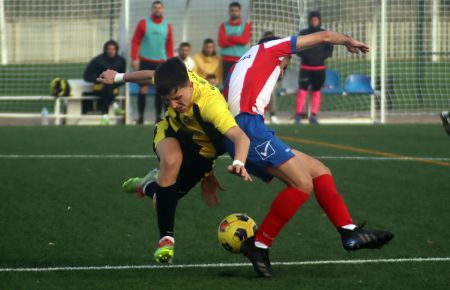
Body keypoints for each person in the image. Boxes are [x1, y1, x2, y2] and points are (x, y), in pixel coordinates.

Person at [223, 32, 394, 278]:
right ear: (282, 54)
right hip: (249, 130)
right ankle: (259, 245)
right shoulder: (271, 49)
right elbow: (322, 36)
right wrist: (347, 41)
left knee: (318, 170)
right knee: (301, 184)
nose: (282, 72)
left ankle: (348, 232)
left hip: (241, 131)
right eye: (285, 65)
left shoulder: (243, 61)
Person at [96, 57, 252, 263]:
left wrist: (238, 163)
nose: (174, 104)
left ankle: (148, 185)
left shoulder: (210, 104)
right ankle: (166, 240)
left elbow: (240, 137)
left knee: (161, 201)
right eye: (167, 101)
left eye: (178, 98)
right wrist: (117, 77)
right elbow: (150, 75)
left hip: (202, 154)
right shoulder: (172, 81)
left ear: (189, 84)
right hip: (173, 131)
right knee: (171, 160)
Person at [131, 0, 174, 124]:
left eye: (160, 8)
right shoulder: (143, 24)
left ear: (163, 10)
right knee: (143, 89)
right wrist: (134, 58)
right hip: (145, 60)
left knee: (159, 90)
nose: (157, 9)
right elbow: (135, 41)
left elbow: (169, 46)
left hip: (160, 62)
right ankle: (140, 118)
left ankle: (158, 118)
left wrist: (170, 61)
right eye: (155, 7)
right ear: (152, 9)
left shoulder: (167, 26)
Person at [295, 11, 333, 124]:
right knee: (302, 91)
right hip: (305, 68)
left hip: (319, 69)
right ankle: (298, 115)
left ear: (319, 20)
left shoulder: (324, 34)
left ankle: (314, 115)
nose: (314, 22)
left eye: (316, 20)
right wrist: (305, 56)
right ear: (309, 20)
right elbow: (297, 47)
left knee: (317, 91)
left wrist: (321, 57)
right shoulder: (304, 33)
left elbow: (329, 49)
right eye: (312, 20)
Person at [83, 40, 126, 125]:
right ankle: (114, 105)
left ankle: (105, 117)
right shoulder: (97, 60)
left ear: (116, 50)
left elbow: (123, 77)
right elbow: (86, 76)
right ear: (105, 50)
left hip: (114, 86)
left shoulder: (121, 61)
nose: (111, 51)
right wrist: (99, 79)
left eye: (113, 49)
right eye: (109, 49)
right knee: (106, 84)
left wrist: (114, 81)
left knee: (108, 85)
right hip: (98, 86)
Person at [218, 2, 251, 81]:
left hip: (240, 59)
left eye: (236, 10)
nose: (234, 12)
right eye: (232, 10)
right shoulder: (223, 25)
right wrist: (237, 39)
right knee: (226, 82)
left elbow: (245, 40)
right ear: (229, 12)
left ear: (239, 12)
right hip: (226, 59)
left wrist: (230, 37)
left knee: (239, 82)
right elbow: (221, 42)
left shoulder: (245, 25)